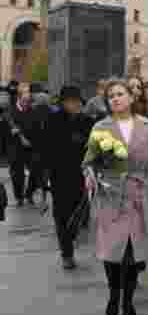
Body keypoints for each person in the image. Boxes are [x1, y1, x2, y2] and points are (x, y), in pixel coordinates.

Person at [84, 78, 148, 315]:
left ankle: (128, 300)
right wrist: (91, 176)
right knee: (111, 251)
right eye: (111, 95)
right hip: (110, 195)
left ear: (132, 98)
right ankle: (114, 293)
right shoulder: (100, 128)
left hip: (139, 196)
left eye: (120, 94)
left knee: (134, 253)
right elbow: (88, 162)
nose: (115, 98)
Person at [42, 86, 94, 269]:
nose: (75, 104)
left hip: (82, 175)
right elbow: (46, 147)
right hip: (59, 175)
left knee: (79, 212)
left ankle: (70, 236)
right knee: (61, 214)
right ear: (63, 103)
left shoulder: (88, 121)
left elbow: (93, 146)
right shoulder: (52, 120)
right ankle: (67, 252)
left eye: (78, 101)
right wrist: (46, 174)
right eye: (71, 101)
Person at [7, 81, 47, 206]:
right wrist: (12, 132)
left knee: (36, 169)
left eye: (28, 100)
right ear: (19, 98)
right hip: (15, 147)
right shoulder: (10, 111)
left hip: (31, 146)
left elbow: (38, 129)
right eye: (24, 100)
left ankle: (29, 193)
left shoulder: (33, 110)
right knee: (17, 173)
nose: (27, 103)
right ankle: (19, 197)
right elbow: (5, 131)